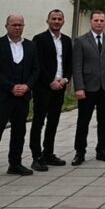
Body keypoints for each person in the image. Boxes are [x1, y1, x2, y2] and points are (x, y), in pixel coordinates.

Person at [0, 15, 39, 183]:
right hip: (0, 96)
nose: (17, 27)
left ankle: (15, 163)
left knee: (19, 132)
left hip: (22, 97)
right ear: (6, 26)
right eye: (14, 24)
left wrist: (27, 86)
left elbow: (36, 69)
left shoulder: (31, 46)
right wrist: (11, 87)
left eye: (20, 25)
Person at [71, 10, 105, 166]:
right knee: (83, 121)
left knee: (104, 121)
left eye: (101, 20)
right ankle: (80, 152)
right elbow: (77, 66)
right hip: (87, 88)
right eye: (96, 20)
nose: (99, 23)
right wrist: (79, 87)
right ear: (91, 21)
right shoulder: (80, 41)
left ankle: (102, 150)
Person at [29, 9, 71, 171]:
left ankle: (48, 153)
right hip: (43, 88)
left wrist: (65, 79)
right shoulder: (39, 39)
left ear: (63, 22)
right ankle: (36, 156)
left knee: (53, 121)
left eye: (59, 19)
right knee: (39, 122)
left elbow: (69, 63)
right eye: (53, 18)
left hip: (60, 87)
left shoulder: (66, 41)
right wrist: (50, 81)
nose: (56, 21)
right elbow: (37, 64)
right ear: (47, 21)